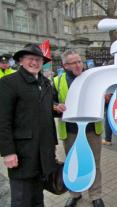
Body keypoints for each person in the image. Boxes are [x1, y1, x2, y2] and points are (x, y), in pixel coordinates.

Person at [0, 43, 57, 206]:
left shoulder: (45, 82)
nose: (35, 62)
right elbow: (3, 120)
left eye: (38, 59)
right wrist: (8, 152)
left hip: (44, 154)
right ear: (21, 61)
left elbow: (44, 112)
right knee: (22, 200)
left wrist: (55, 109)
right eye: (31, 59)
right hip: (22, 154)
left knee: (38, 199)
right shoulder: (8, 82)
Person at [53, 49, 104, 207]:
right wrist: (56, 107)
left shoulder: (93, 78)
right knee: (73, 163)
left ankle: (96, 195)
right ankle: (75, 194)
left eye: (79, 61)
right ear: (65, 65)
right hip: (70, 132)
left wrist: (107, 98)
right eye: (73, 63)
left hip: (92, 130)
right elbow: (51, 103)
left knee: (94, 163)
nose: (78, 65)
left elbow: (105, 100)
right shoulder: (57, 81)